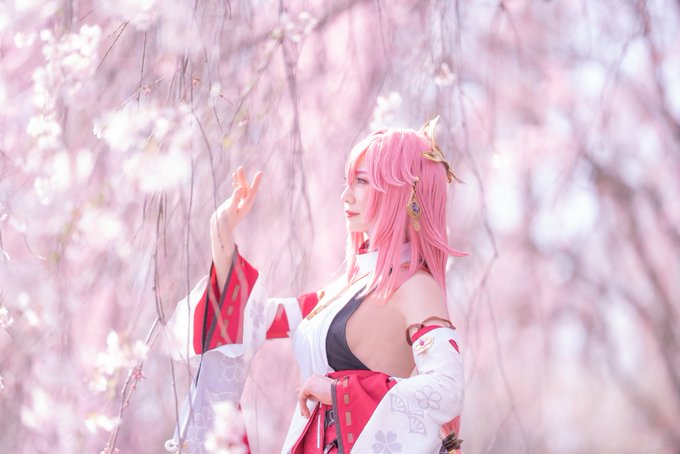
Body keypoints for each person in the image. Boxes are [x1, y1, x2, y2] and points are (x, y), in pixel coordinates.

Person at [164, 117, 466, 454]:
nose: (345, 196)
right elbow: (254, 319)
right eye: (347, 182)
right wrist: (221, 233)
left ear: (403, 192)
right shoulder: (341, 293)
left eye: (361, 181)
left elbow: (447, 389)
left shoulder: (415, 287)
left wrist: (340, 392)